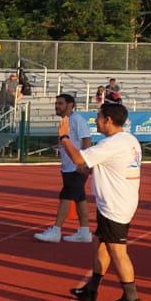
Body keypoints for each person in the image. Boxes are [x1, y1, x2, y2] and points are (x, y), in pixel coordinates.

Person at [59, 101, 143, 301]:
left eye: (98, 117)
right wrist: (88, 170)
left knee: (117, 251)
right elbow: (109, 166)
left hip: (116, 206)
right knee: (101, 243)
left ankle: (132, 298)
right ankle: (92, 288)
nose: (95, 120)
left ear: (108, 120)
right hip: (115, 203)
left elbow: (78, 157)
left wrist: (64, 137)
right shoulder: (128, 140)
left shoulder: (111, 144)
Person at [35, 93, 93, 244]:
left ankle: (56, 231)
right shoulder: (65, 121)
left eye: (60, 103)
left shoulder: (77, 120)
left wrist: (84, 163)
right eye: (56, 103)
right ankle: (84, 231)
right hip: (68, 167)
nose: (57, 106)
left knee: (65, 196)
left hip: (77, 167)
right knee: (80, 198)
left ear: (70, 105)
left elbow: (86, 139)